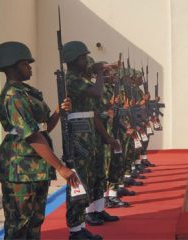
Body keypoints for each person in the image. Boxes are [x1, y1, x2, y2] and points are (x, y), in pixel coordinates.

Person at [0, 41, 80, 239]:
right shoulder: (13, 96)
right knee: (19, 224)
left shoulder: (27, 92)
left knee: (34, 220)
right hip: (20, 167)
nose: (30, 67)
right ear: (12, 66)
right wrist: (60, 167)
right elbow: (31, 135)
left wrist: (58, 111)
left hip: (36, 166)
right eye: (25, 64)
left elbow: (44, 127)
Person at [63, 41, 119, 239]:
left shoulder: (81, 79)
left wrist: (107, 137)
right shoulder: (71, 79)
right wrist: (100, 72)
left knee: (97, 174)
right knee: (80, 181)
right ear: (74, 60)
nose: (86, 61)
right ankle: (75, 229)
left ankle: (97, 209)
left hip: (91, 135)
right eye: (83, 57)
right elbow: (97, 93)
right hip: (79, 137)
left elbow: (93, 112)